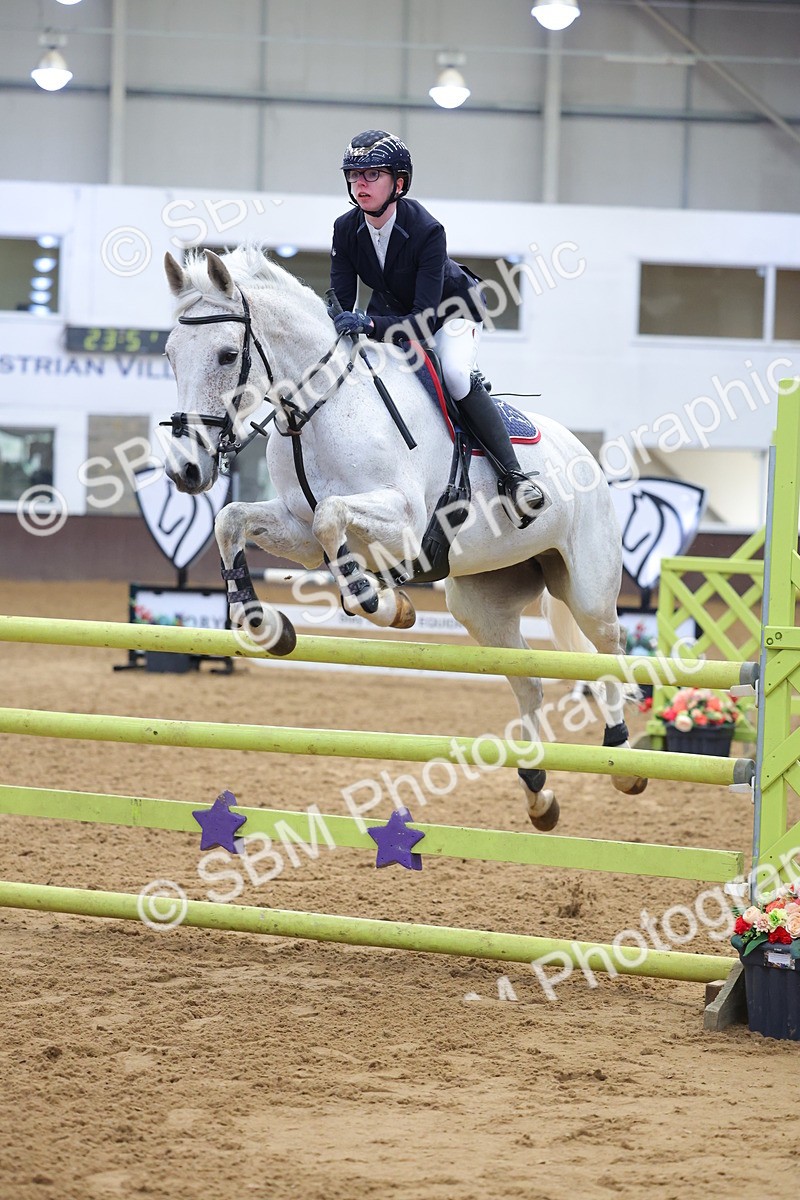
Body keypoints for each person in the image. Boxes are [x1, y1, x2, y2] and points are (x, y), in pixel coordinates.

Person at [328, 129, 545, 523]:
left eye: (372, 174)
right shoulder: (345, 228)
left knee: (457, 375)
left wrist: (369, 323)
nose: (360, 184)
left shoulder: (428, 230)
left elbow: (424, 318)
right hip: (392, 308)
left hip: (449, 311)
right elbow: (342, 298)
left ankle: (515, 478)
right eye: (353, 175)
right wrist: (341, 323)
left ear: (399, 182)